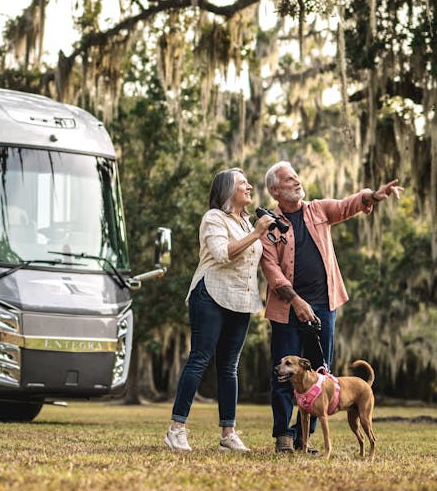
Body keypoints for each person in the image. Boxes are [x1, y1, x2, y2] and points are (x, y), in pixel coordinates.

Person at [260, 161, 403, 453]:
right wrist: (296, 301)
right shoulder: (269, 224)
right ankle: (283, 437)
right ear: (275, 190)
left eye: (297, 177)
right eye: (289, 180)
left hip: (324, 305)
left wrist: (372, 196)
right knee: (284, 371)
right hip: (287, 308)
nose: (296, 182)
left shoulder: (317, 209)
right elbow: (271, 268)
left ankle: (305, 438)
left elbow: (346, 205)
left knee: (319, 374)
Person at [164, 168, 274, 453]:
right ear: (228, 191)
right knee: (199, 359)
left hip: (241, 300)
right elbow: (222, 254)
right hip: (210, 293)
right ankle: (176, 430)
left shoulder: (249, 223)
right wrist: (259, 232)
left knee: (229, 368)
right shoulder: (214, 218)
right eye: (242, 183)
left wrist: (259, 231)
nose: (249, 186)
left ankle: (228, 434)